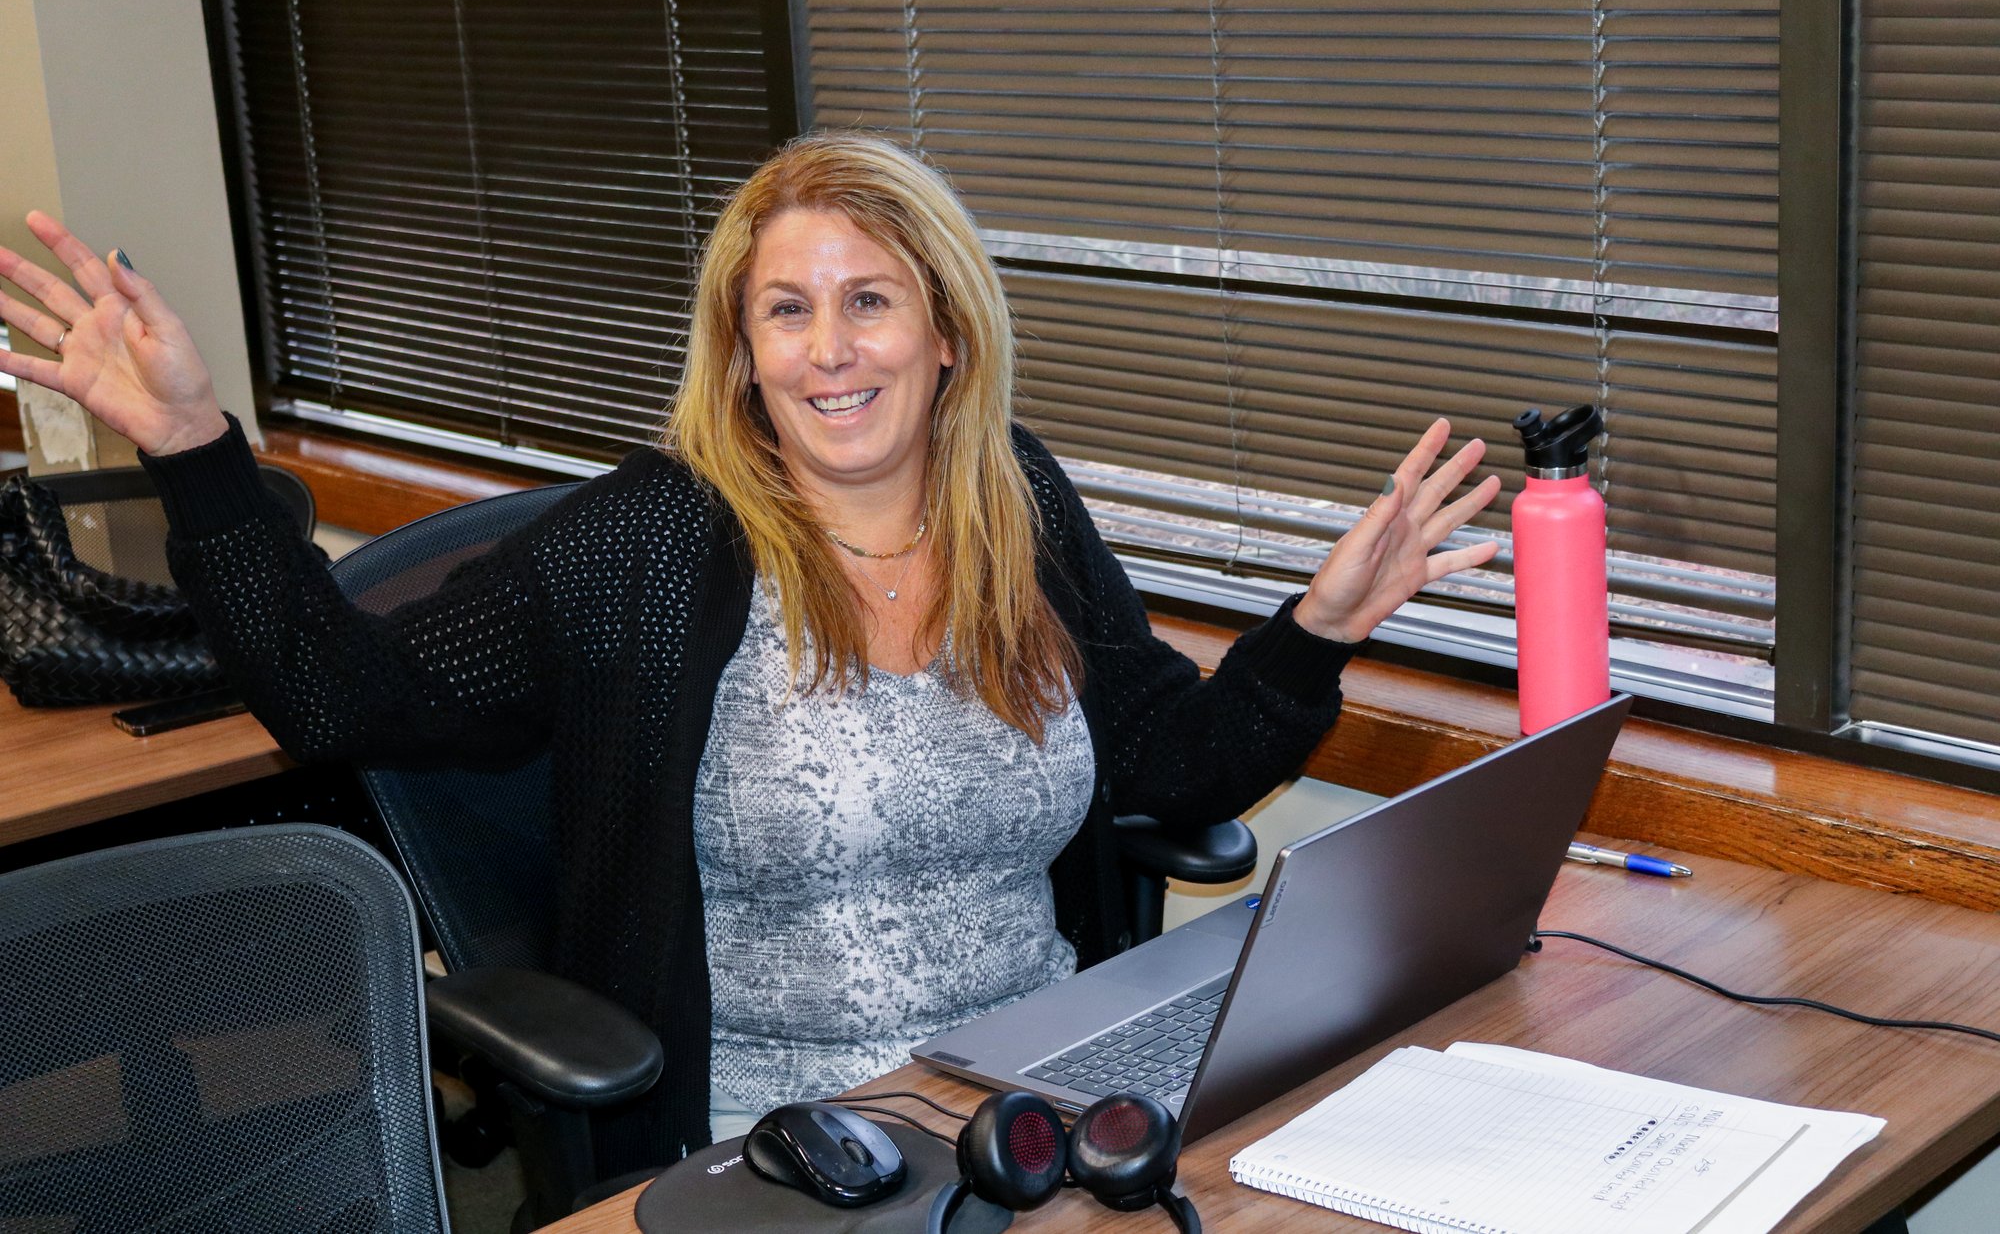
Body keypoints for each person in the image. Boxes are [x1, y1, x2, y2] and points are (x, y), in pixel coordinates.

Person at [0, 132, 1500, 1167]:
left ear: (948, 334)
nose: (830, 350)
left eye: (868, 302)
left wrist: (1318, 628)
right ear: (742, 348)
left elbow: (1178, 758)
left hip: (1049, 1094)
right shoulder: (656, 538)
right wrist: (200, 449)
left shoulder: (1015, 497)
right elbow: (339, 694)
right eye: (787, 311)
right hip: (796, 1134)